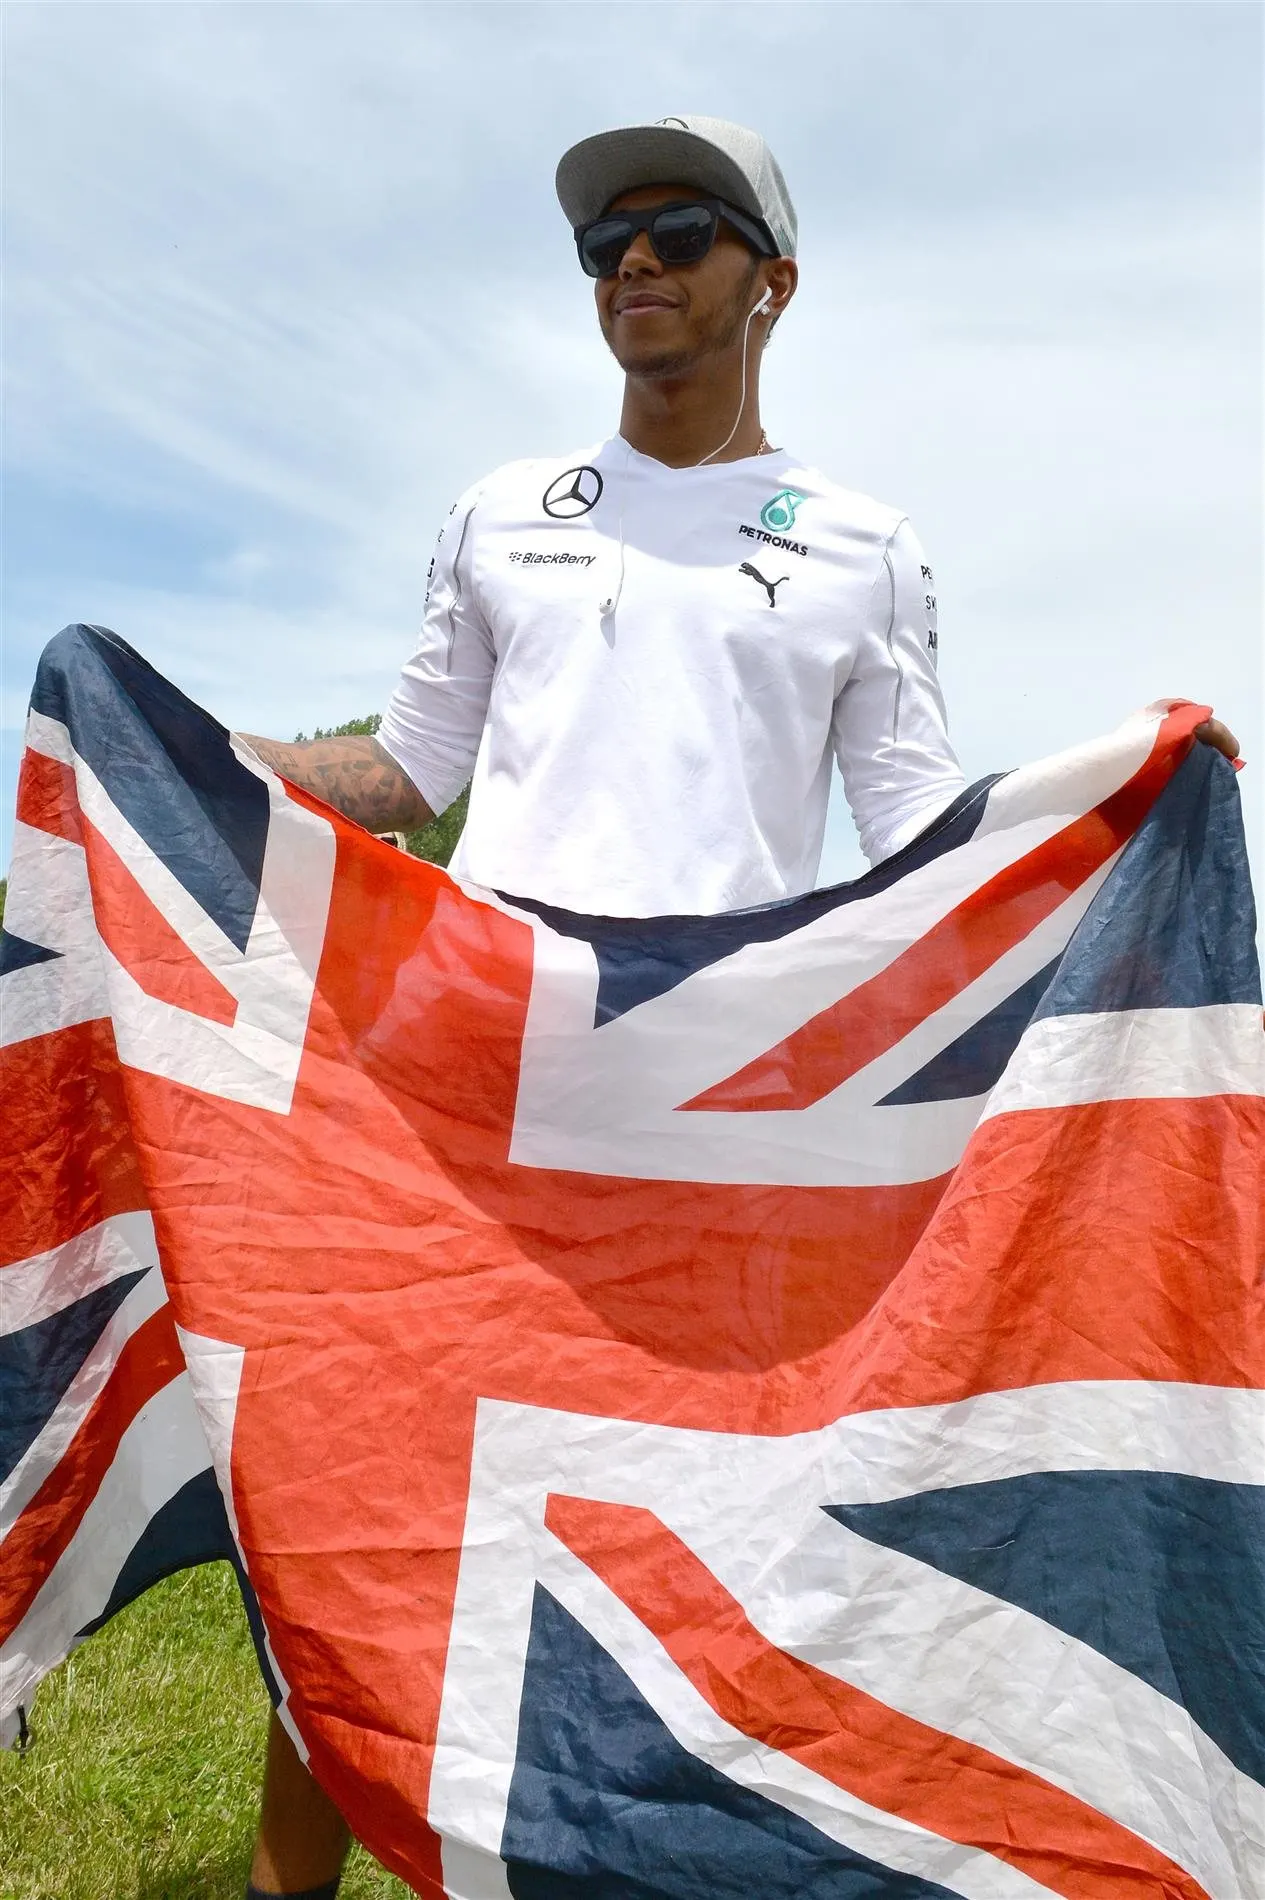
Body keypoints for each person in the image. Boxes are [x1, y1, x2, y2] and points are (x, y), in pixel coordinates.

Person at [236, 115, 1239, 1899]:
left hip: (723, 1107)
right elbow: (408, 767)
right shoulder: (497, 513)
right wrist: (210, 753)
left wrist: (1111, 806)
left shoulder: (863, 545)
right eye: (605, 242)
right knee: (363, 1482)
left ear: (769, 284)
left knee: (705, 1518)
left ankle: (652, 1848)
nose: (634, 262)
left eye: (678, 232)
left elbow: (918, 839)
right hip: (484, 1081)